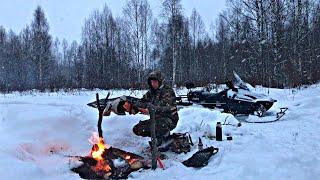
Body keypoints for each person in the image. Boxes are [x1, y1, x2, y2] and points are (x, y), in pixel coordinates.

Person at [102, 71, 179, 148]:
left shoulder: (167, 91)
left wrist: (150, 109)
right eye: (151, 82)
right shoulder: (151, 92)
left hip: (169, 119)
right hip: (156, 119)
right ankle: (158, 137)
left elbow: (167, 108)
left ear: (160, 81)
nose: (153, 84)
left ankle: (165, 140)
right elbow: (142, 102)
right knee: (137, 129)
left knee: (160, 125)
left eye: (155, 81)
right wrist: (133, 107)